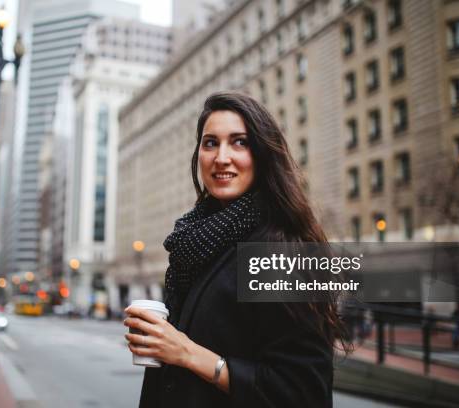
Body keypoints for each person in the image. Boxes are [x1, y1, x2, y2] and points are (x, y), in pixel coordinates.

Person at [124, 92, 348, 407]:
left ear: (263, 154)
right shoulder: (194, 242)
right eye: (210, 143)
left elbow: (302, 392)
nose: (221, 157)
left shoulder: (279, 251)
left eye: (239, 142)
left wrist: (187, 353)